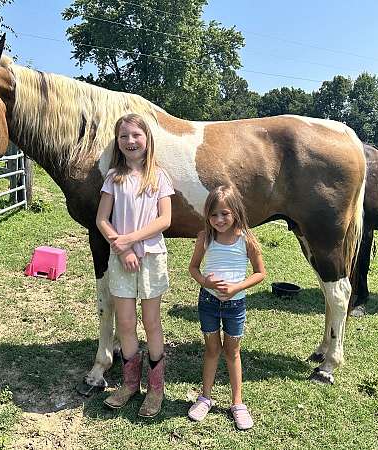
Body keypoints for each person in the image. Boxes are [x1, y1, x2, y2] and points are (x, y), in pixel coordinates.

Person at [96, 113, 174, 418]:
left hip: (151, 258)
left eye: (135, 135)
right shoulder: (113, 177)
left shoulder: (159, 176)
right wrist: (122, 246)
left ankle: (156, 388)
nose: (130, 141)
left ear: (147, 138)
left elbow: (164, 219)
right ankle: (130, 384)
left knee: (151, 322)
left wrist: (130, 240)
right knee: (126, 323)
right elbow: (102, 219)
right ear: (118, 142)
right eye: (123, 136)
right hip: (121, 259)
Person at [187, 185, 266, 430]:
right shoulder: (205, 238)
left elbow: (260, 273)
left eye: (225, 213)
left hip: (235, 305)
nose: (219, 220)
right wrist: (205, 282)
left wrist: (236, 288)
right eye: (213, 215)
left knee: (232, 352)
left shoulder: (247, 240)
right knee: (212, 350)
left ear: (236, 212)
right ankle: (205, 398)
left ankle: (237, 403)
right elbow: (193, 268)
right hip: (208, 303)